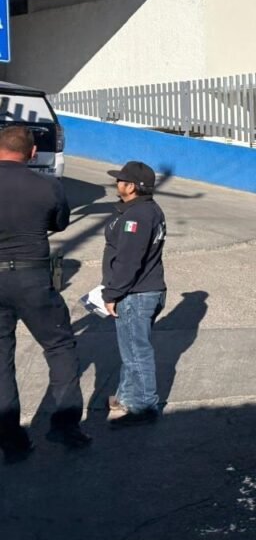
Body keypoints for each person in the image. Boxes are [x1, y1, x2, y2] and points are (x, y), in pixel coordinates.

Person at [0, 126, 89, 461]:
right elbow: (59, 222)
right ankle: (65, 426)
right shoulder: (48, 185)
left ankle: (11, 440)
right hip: (32, 277)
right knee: (59, 346)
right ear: (33, 152)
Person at [102, 161, 168, 426]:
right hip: (143, 290)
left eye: (120, 180)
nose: (116, 183)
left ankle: (143, 407)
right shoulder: (145, 210)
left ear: (131, 187)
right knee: (131, 350)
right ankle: (127, 397)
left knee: (136, 352)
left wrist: (112, 293)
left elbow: (129, 260)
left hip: (137, 293)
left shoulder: (137, 215)